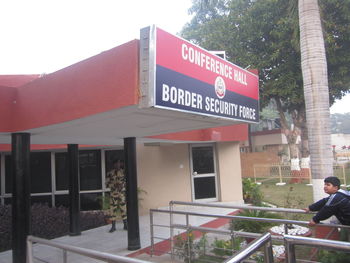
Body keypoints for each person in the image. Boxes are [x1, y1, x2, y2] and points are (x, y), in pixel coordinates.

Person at [105, 159, 127, 232]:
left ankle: (125, 225)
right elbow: (107, 184)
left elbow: (126, 181)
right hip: (113, 194)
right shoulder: (110, 173)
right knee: (112, 210)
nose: (118, 164)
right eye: (116, 163)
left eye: (119, 163)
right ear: (114, 164)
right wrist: (114, 185)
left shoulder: (123, 172)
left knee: (123, 209)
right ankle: (113, 227)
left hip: (121, 194)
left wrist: (122, 185)